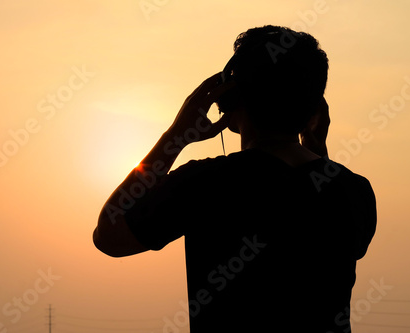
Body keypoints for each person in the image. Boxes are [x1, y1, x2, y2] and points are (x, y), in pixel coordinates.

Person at [94, 25, 377, 333]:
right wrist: (318, 152)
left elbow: (109, 236)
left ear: (231, 96)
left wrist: (176, 135)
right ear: (315, 110)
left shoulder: (205, 184)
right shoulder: (355, 191)